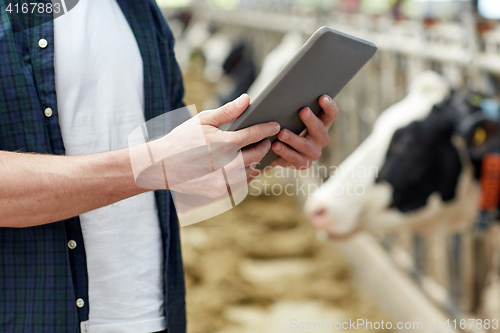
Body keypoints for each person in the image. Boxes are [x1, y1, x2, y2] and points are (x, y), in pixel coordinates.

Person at [0, 0, 339, 332]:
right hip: (34, 315)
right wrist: (151, 165)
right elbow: (157, 166)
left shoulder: (143, 12)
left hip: (150, 313)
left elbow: (172, 186)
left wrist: (263, 149)